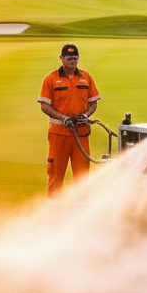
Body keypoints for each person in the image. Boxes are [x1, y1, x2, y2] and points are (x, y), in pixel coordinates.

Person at [37, 43, 101, 196]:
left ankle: (82, 208)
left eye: (75, 58)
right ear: (62, 59)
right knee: (55, 174)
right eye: (69, 58)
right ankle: (53, 208)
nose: (72, 61)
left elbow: (93, 103)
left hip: (81, 133)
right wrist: (63, 118)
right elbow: (44, 106)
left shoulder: (86, 77)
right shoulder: (51, 78)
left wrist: (85, 115)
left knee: (83, 175)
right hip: (59, 134)